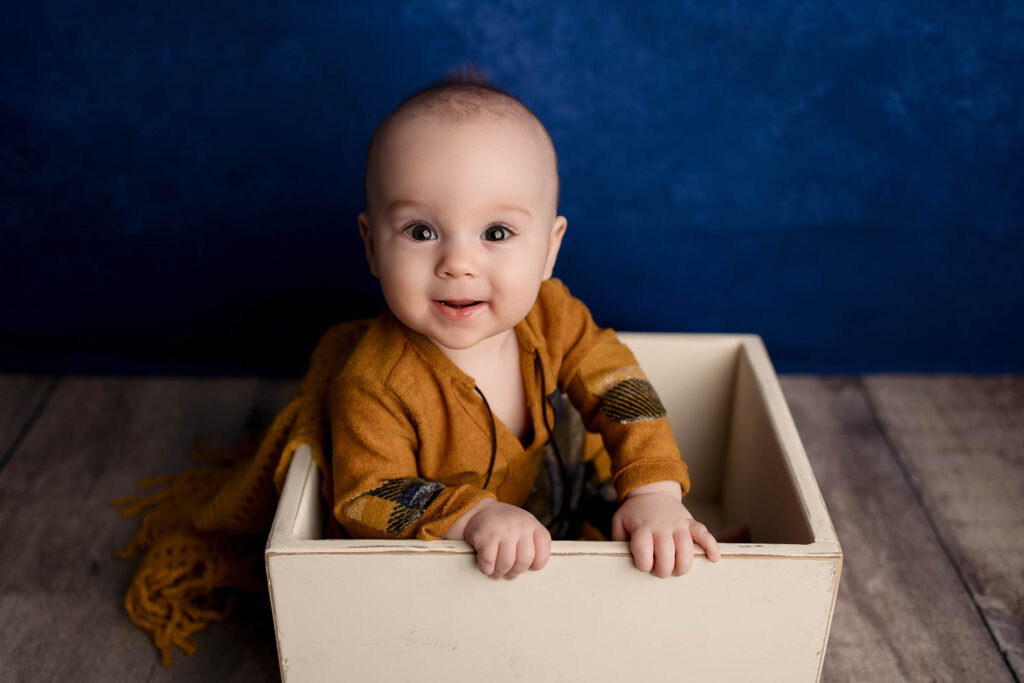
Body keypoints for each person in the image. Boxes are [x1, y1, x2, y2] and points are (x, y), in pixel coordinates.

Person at [330, 67, 721, 581]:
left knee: (665, 552)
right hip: (458, 576)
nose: (458, 263)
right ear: (372, 245)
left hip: (572, 508)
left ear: (549, 249)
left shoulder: (552, 314)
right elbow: (366, 497)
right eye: (421, 230)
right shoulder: (374, 382)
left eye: (496, 232)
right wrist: (472, 515)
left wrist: (654, 492)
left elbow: (621, 390)